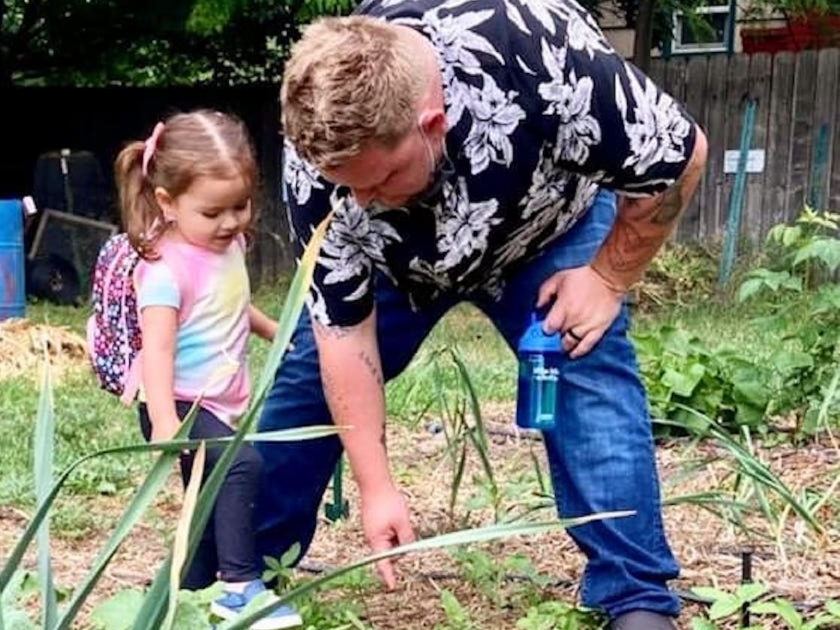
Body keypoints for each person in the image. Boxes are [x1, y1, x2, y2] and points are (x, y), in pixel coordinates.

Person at [253, 2, 708, 629]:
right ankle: (231, 578)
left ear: (430, 123)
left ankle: (635, 598)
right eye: (346, 186)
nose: (359, 200)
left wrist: (606, 279)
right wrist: (376, 485)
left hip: (544, 228)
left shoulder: (544, 59)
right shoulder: (320, 160)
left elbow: (680, 156)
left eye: (379, 179)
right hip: (396, 262)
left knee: (586, 369)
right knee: (305, 389)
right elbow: (342, 333)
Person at [114, 110, 302, 630]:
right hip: (175, 401)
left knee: (204, 499)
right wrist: (164, 423)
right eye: (213, 212)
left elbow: (231, 303)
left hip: (220, 398)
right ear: (167, 203)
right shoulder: (162, 271)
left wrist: (274, 332)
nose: (231, 222)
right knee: (239, 466)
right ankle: (241, 586)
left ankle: (188, 593)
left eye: (240, 206)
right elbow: (157, 351)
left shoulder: (228, 246)